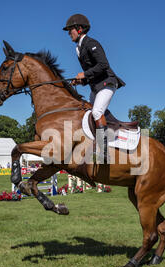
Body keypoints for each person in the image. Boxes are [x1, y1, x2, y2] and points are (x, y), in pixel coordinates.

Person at [63, 14, 125, 162]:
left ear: (79, 29)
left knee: (96, 112)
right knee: (87, 111)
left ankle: (104, 151)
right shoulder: (79, 49)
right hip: (96, 86)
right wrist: (82, 81)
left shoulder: (91, 43)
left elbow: (103, 65)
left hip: (107, 83)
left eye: (70, 30)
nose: (68, 33)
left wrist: (84, 74)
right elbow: (92, 73)